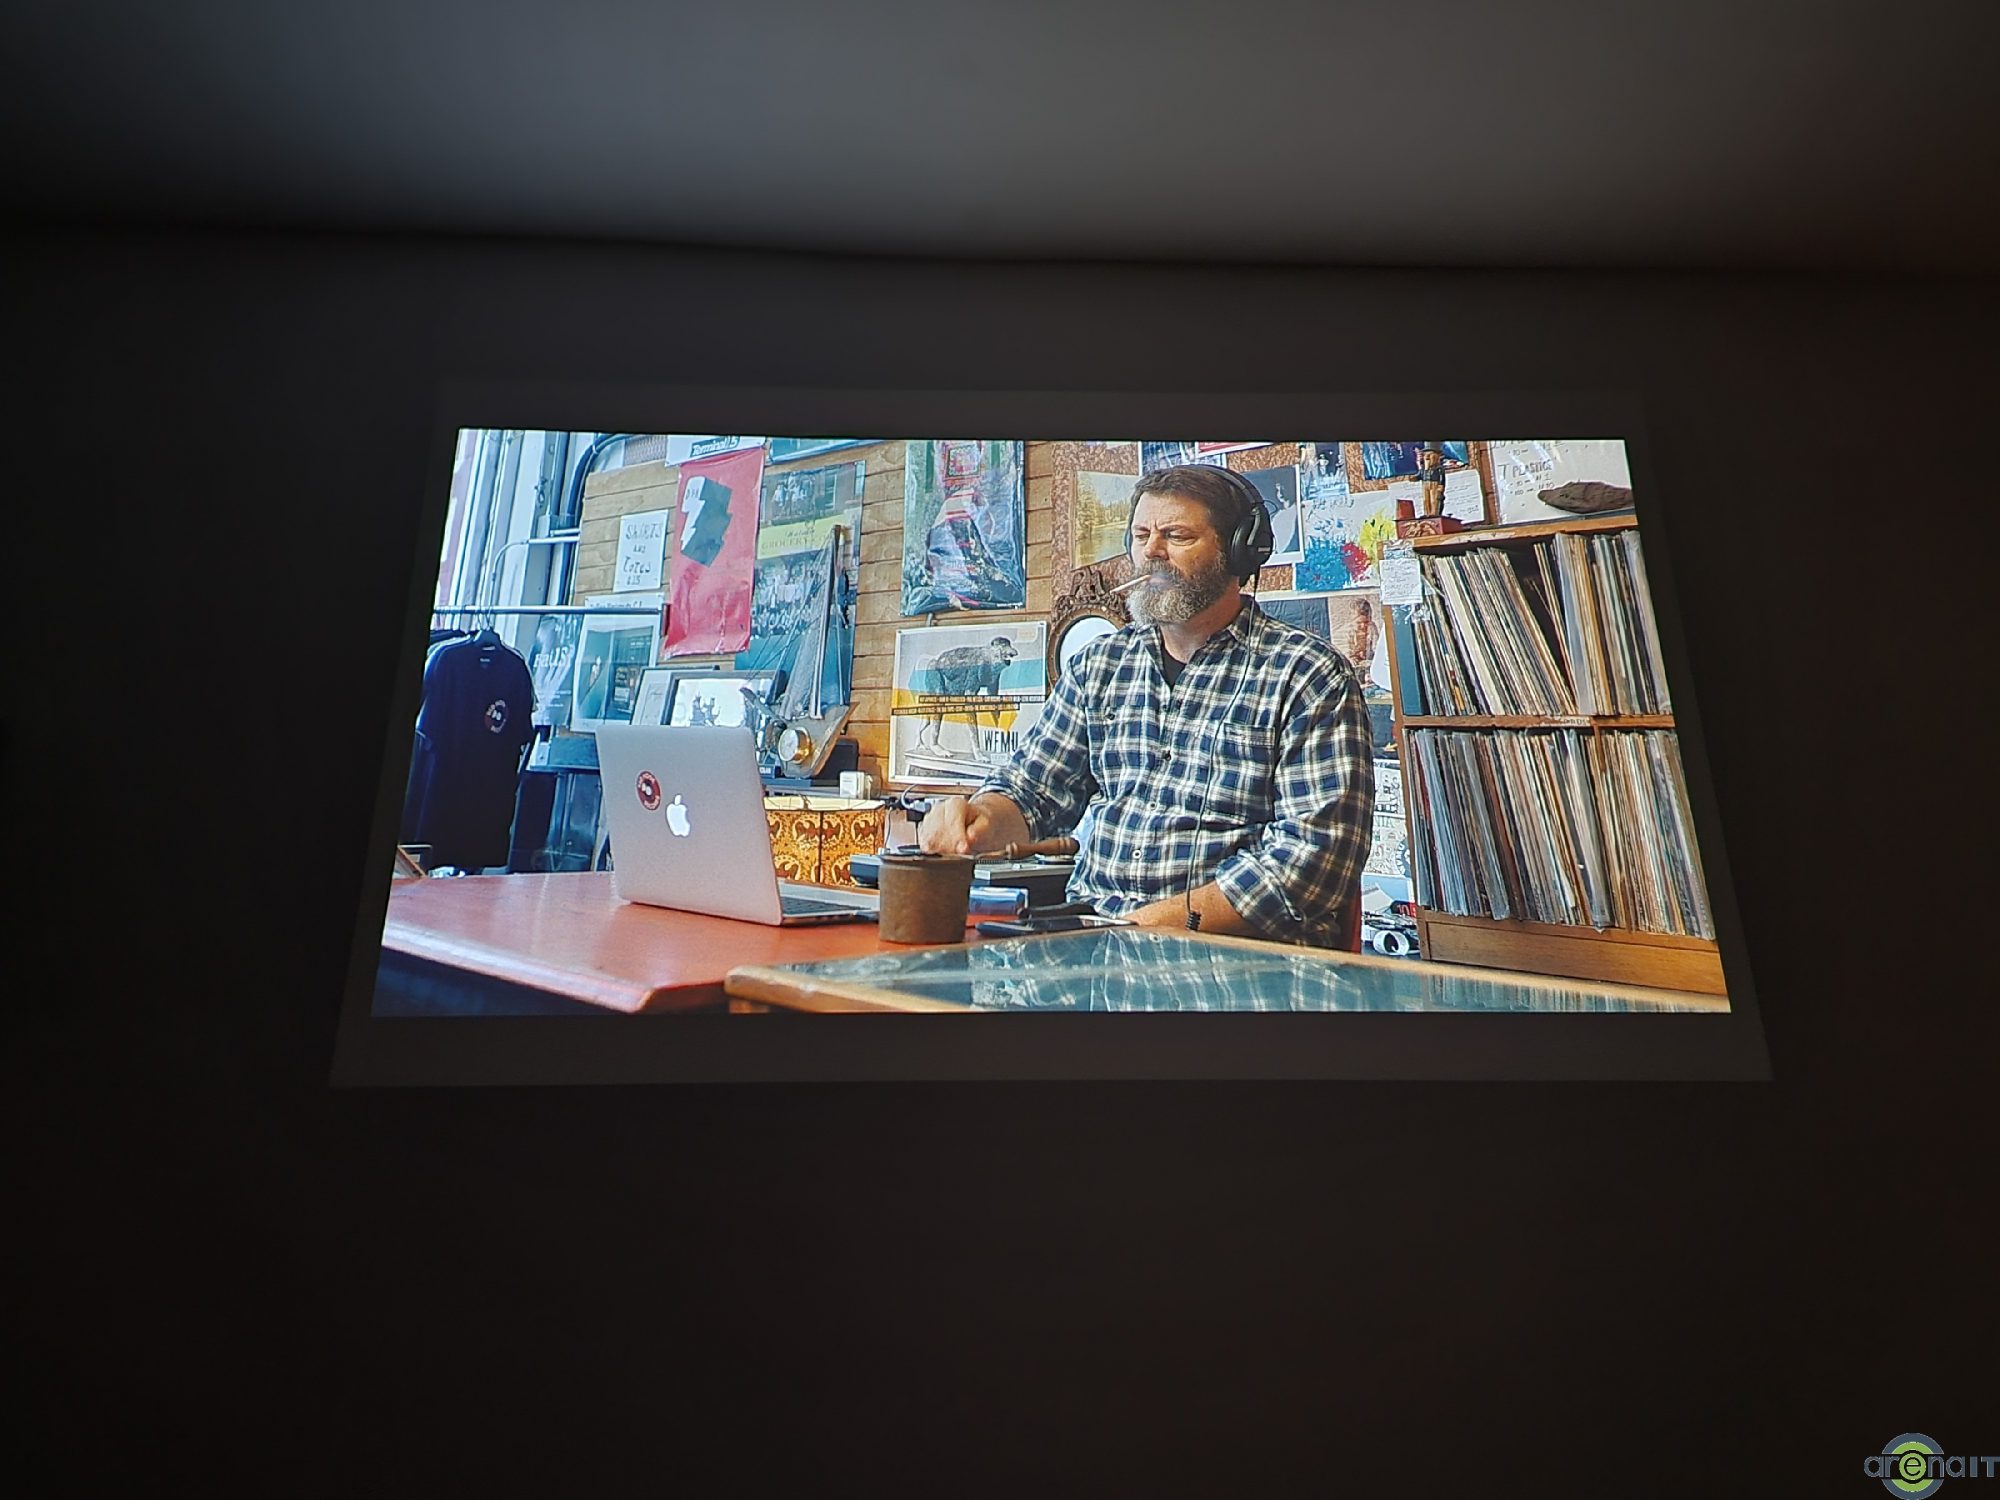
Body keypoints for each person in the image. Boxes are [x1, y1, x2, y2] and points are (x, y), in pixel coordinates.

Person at [920, 465, 1374, 947]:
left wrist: (1157, 922)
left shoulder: (1308, 674)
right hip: (1098, 943)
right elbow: (1033, 789)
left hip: (1235, 957)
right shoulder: (1100, 664)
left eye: (1176, 535)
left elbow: (1315, 856)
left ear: (1240, 549)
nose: (1151, 552)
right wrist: (979, 819)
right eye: (1141, 535)